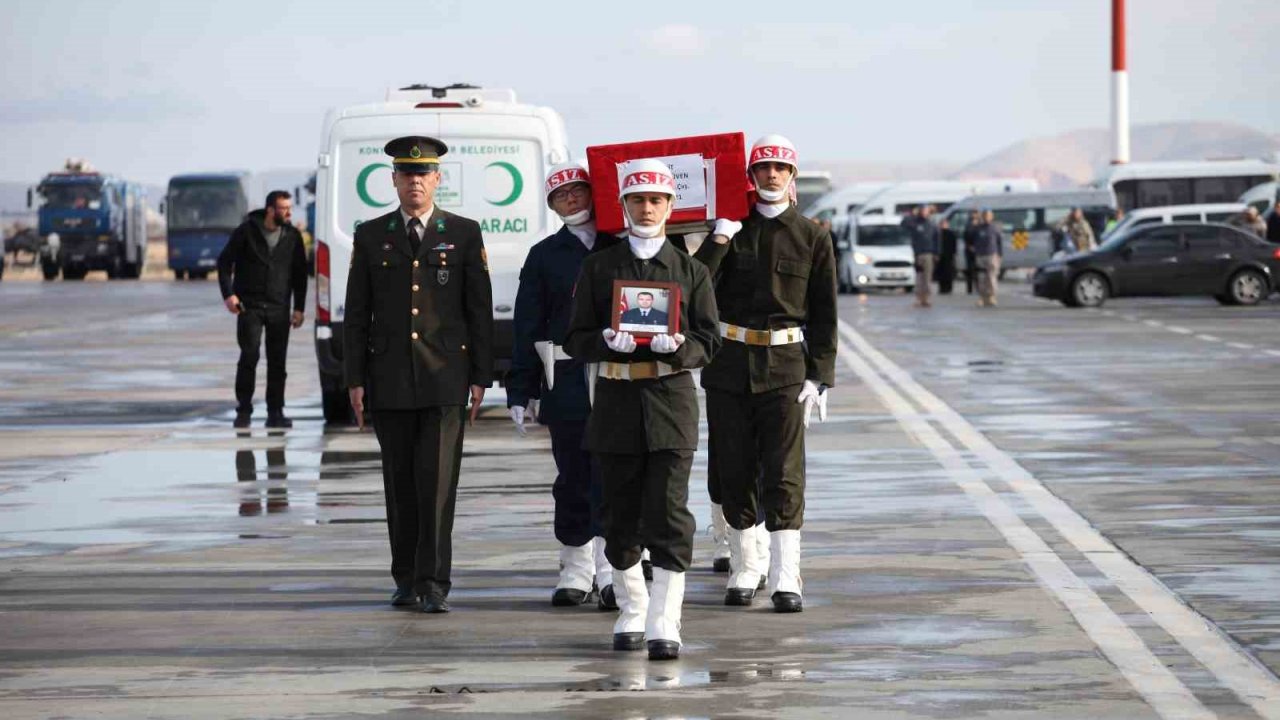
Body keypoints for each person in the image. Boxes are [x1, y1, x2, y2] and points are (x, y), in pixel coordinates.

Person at [564, 158, 720, 661]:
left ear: (671, 206)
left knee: (670, 514)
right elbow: (575, 337)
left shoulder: (691, 271)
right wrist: (606, 341)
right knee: (618, 513)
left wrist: (681, 346)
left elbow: (709, 340)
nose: (646, 208)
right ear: (623, 205)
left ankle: (664, 619)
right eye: (637, 200)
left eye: (656, 200)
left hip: (671, 405)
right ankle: (632, 607)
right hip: (615, 405)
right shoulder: (599, 267)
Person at [343, 136, 495, 615]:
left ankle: (433, 583)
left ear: (437, 179)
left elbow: (479, 310)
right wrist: (354, 378)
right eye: (406, 174)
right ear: (393, 180)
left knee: (437, 485)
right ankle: (405, 578)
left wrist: (481, 376)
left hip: (445, 378)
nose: (415, 181)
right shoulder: (370, 235)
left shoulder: (465, 233)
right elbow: (356, 314)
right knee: (399, 484)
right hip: (388, 378)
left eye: (423, 174)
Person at [699, 134, 837, 614]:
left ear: (793, 176)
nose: (772, 175)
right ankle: (746, 564)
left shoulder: (814, 236)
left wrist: (820, 376)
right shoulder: (731, 231)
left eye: (781, 167)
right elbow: (696, 285)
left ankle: (785, 573)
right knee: (734, 467)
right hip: (730, 364)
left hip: (785, 368)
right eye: (763, 168)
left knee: (783, 472)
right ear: (751, 176)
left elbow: (825, 314)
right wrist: (720, 238)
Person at [507, 161, 619, 610]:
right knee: (573, 473)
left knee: (614, 473)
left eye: (577, 191)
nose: (570, 199)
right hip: (567, 376)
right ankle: (576, 566)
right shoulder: (544, 255)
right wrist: (521, 388)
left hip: (616, 375)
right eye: (561, 195)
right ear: (551, 205)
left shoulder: (623, 244)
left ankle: (615, 569)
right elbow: (526, 325)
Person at [217, 190, 307, 429]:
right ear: (270, 210)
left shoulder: (292, 235)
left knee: (278, 362)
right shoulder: (246, 231)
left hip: (279, 307)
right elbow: (224, 263)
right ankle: (244, 410)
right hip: (250, 307)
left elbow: (300, 274)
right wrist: (229, 295)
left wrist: (299, 308)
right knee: (250, 356)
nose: (289, 212)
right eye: (283, 208)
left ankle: (275, 411)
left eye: (290, 208)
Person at [903, 205, 939, 307]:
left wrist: (936, 253)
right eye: (922, 210)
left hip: (928, 253)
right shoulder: (915, 223)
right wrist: (912, 214)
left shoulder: (932, 224)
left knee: (927, 278)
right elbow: (903, 223)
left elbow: (937, 239)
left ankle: (926, 298)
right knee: (919, 277)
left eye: (926, 211)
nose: (924, 213)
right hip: (918, 254)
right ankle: (918, 298)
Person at [972, 209, 1004, 307]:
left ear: (992, 217)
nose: (986, 217)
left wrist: (999, 255)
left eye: (988, 216)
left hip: (991, 255)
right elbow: (969, 238)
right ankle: (982, 298)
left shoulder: (995, 228)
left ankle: (991, 297)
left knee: (991, 277)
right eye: (985, 215)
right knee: (981, 278)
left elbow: (999, 242)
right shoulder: (977, 228)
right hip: (980, 256)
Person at [936, 214, 957, 295]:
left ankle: (948, 288)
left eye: (944, 223)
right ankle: (942, 287)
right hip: (940, 255)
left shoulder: (951, 234)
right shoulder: (938, 234)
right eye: (942, 224)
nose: (943, 225)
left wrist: (954, 254)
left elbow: (954, 245)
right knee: (941, 272)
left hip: (949, 255)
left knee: (949, 272)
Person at [962, 210, 980, 295]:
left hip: (979, 250)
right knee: (969, 270)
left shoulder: (980, 225)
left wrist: (977, 247)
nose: (974, 215)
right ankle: (969, 289)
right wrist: (969, 246)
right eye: (972, 214)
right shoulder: (968, 225)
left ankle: (978, 288)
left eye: (975, 214)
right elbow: (965, 236)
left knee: (978, 270)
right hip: (969, 250)